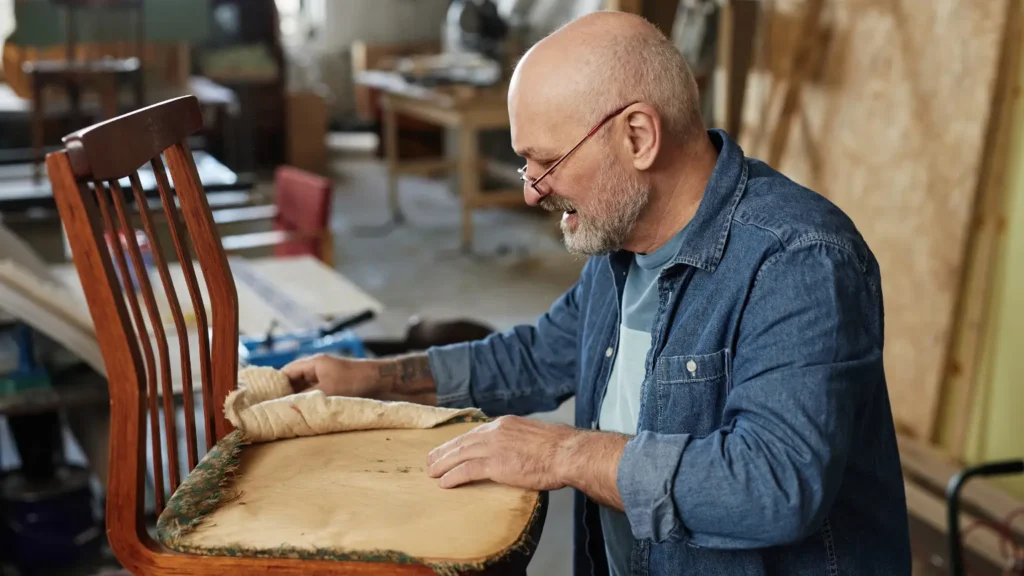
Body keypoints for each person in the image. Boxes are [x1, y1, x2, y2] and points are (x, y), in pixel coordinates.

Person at [283, 10, 912, 576]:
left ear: (638, 136)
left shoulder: (799, 261)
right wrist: (373, 380)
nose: (531, 191)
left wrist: (563, 452)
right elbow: (534, 356)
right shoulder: (625, 245)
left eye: (546, 162)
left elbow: (773, 486)